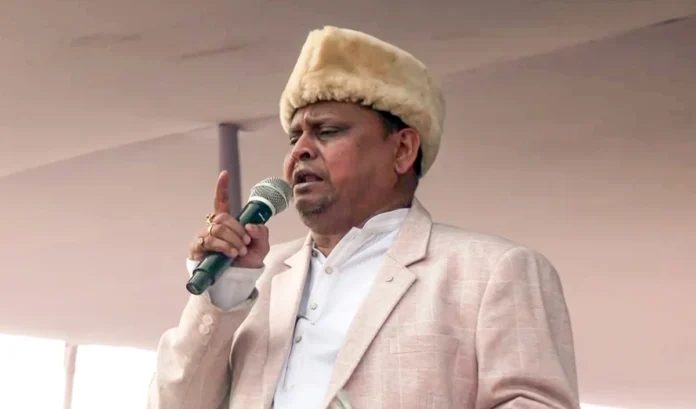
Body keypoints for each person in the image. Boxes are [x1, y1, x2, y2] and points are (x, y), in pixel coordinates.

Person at [148, 26, 580, 409]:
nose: (300, 150)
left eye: (327, 131)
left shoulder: (491, 273)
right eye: (294, 136)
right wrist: (225, 293)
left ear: (402, 150)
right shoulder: (260, 277)